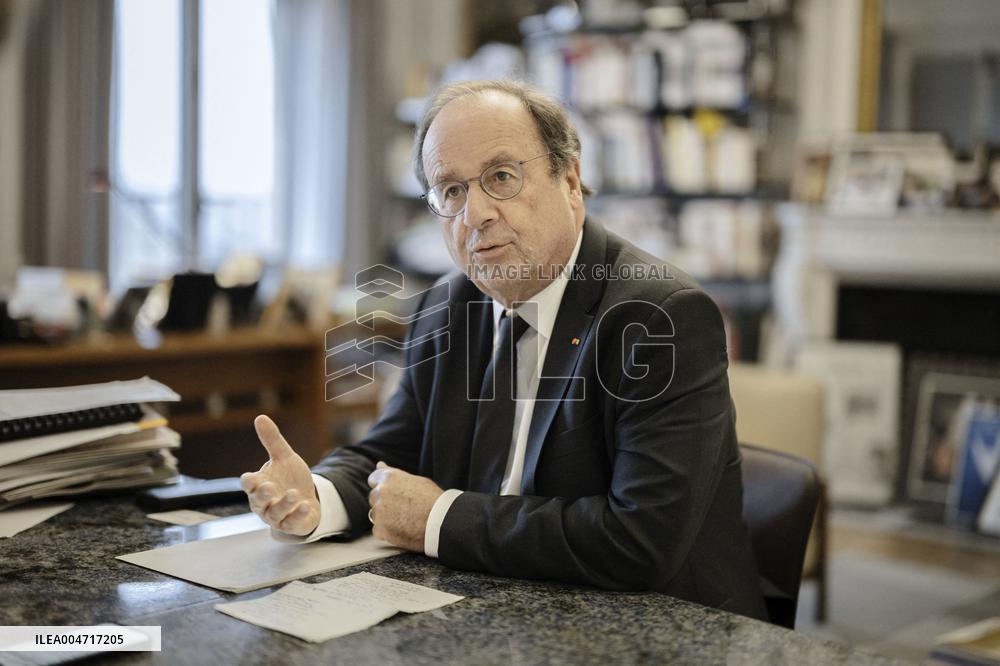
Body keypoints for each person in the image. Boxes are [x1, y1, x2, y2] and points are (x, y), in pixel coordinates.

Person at [241, 79, 768, 621]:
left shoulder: (659, 316)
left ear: (570, 181)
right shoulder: (447, 306)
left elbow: (639, 541)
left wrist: (438, 518)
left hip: (664, 629)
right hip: (494, 607)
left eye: (500, 178)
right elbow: (389, 456)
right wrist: (316, 497)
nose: (475, 214)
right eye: (450, 190)